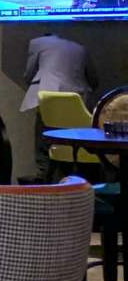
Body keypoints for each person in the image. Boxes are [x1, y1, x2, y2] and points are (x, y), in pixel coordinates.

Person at [21, 32, 97, 179]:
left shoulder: (37, 42)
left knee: (43, 135)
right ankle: (76, 173)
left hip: (50, 96)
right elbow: (93, 80)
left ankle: (44, 174)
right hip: (78, 101)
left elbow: (29, 74)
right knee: (75, 140)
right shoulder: (80, 48)